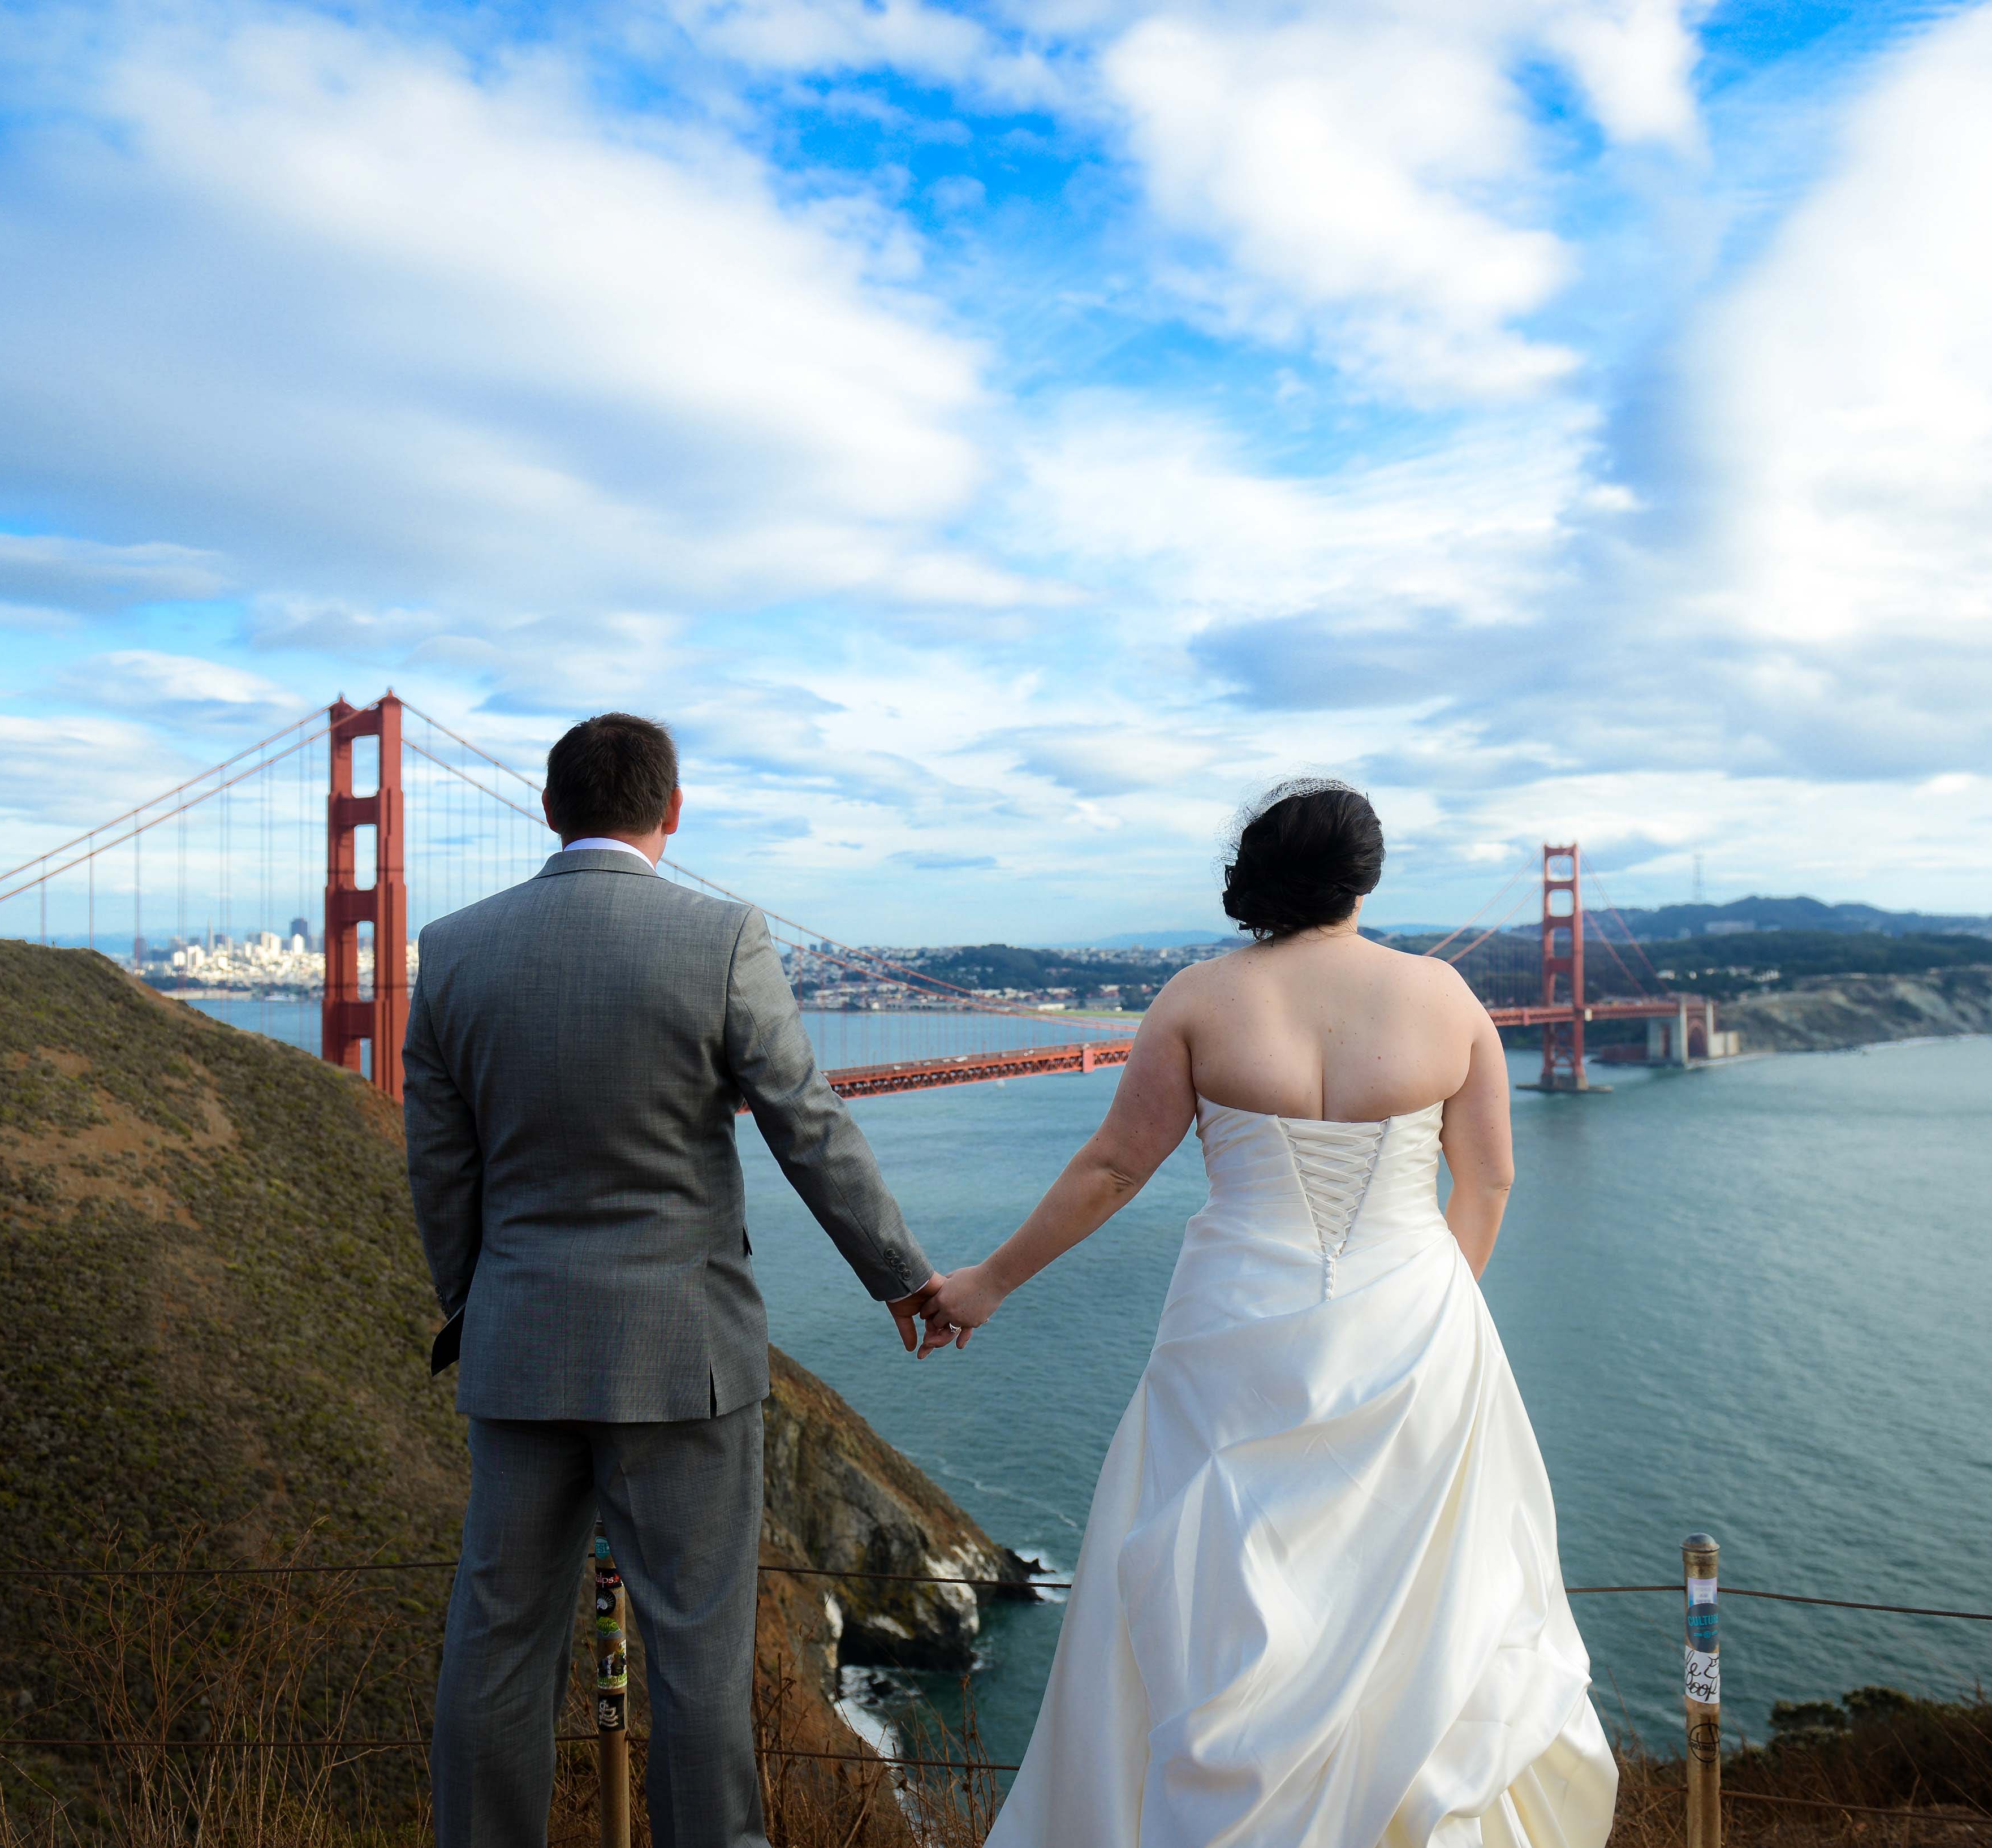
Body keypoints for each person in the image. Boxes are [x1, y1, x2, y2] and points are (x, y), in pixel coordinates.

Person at [924, 780, 1618, 1848]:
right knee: (1423, 1608)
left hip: (1230, 1337)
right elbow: (1489, 1183)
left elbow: (1114, 1168)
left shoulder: (1199, 1001)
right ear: (1366, 875)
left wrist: (989, 1282)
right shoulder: (1446, 998)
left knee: (1216, 1593)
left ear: (1258, 875)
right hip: (1420, 1334)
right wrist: (1439, 1310)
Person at [404, 711, 950, 1848]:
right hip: (684, 1363)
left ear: (548, 812)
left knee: (496, 1646)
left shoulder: (455, 951)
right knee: (698, 1657)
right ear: (673, 813)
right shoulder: (722, 937)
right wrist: (897, 1272)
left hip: (518, 1349)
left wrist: (481, 1304)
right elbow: (807, 1123)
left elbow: (441, 1174)